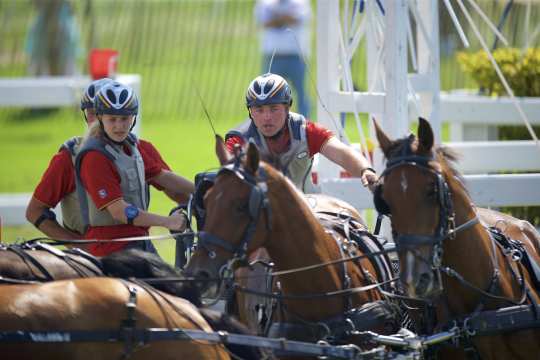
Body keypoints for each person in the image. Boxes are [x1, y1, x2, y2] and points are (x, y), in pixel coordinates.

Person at [74, 81, 194, 256]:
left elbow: (163, 177)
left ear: (134, 118)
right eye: (112, 119)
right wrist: (168, 222)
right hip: (111, 248)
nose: (119, 126)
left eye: (125, 118)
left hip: (139, 240)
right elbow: (121, 212)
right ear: (100, 118)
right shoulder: (95, 157)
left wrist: (204, 189)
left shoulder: (131, 147)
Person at [226, 73, 377, 193]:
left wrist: (365, 169)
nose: (267, 117)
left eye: (274, 109)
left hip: (308, 209)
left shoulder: (306, 131)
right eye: (259, 110)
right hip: (259, 216)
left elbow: (342, 153)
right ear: (250, 112)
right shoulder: (238, 139)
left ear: (287, 107)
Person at [26, 78, 113, 241]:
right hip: (93, 259)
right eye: (92, 113)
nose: (97, 122)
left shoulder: (139, 150)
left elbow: (173, 188)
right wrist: (78, 245)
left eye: (104, 113)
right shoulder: (69, 158)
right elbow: (35, 211)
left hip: (138, 247)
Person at [254, 0, 312, 118]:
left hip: (296, 56)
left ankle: (305, 126)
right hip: (272, 57)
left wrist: (277, 18)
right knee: (268, 94)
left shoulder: (301, 3)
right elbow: (264, 22)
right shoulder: (265, 3)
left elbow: (299, 20)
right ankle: (269, 125)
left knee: (301, 94)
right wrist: (285, 18)